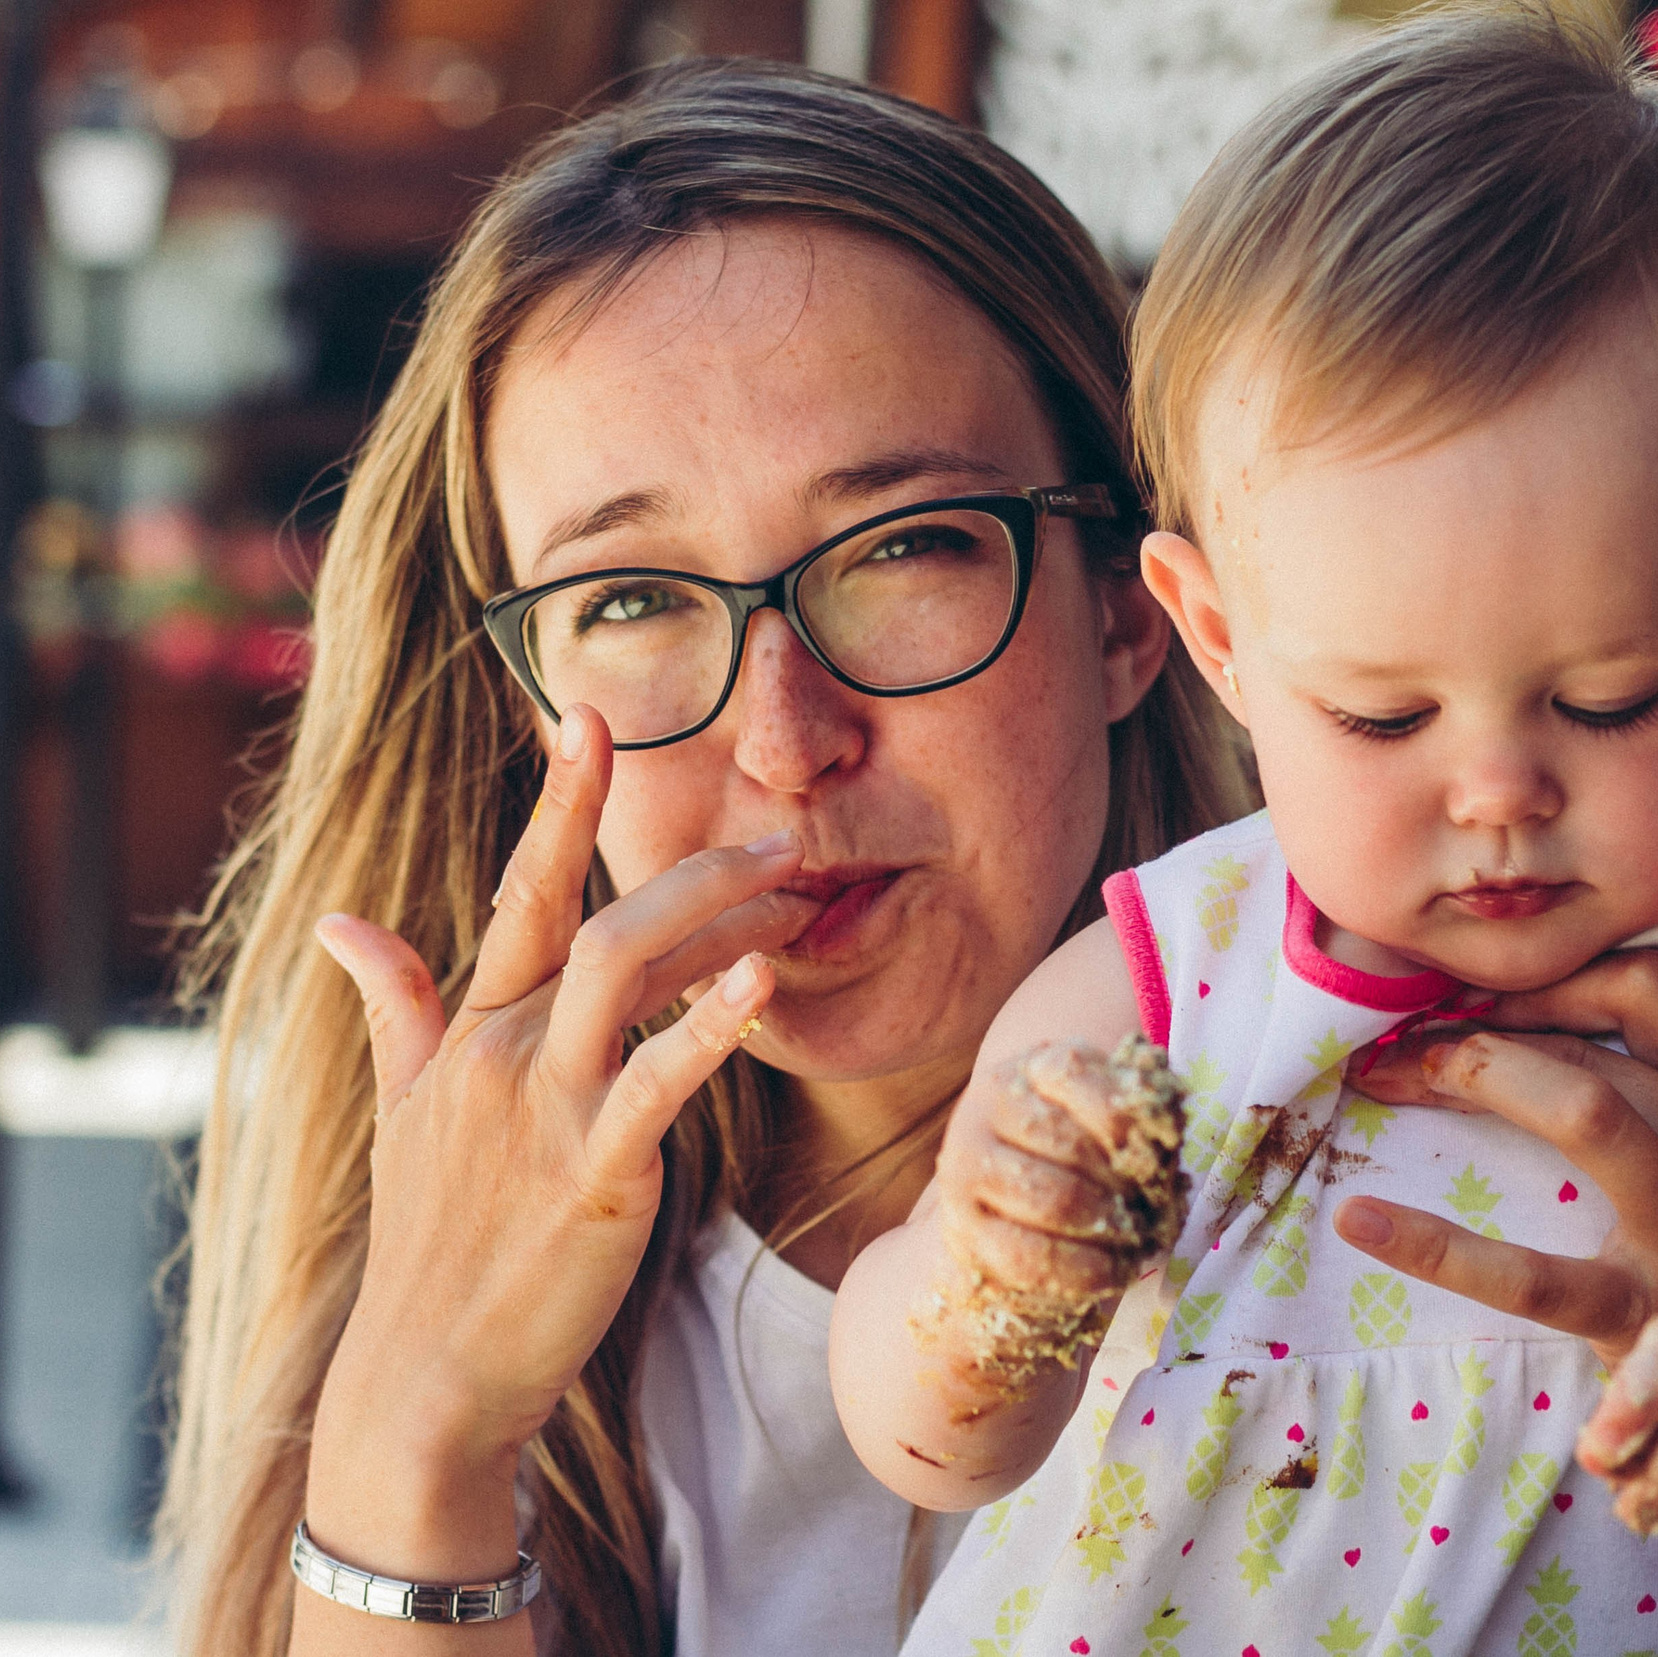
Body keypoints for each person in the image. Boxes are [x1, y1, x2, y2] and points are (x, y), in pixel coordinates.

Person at [152, 58, 1255, 1657]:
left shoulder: (1421, 1161)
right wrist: (418, 1425)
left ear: (1124, 607)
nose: (786, 738)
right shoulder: (495, 1274)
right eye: (629, 601)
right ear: (526, 704)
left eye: (900, 550)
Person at [830, 12, 1658, 1654]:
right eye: (1383, 717)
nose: (1496, 794)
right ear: (1215, 638)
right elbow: (926, 1436)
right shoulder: (1169, 984)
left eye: (1620, 700)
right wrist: (995, 1266)